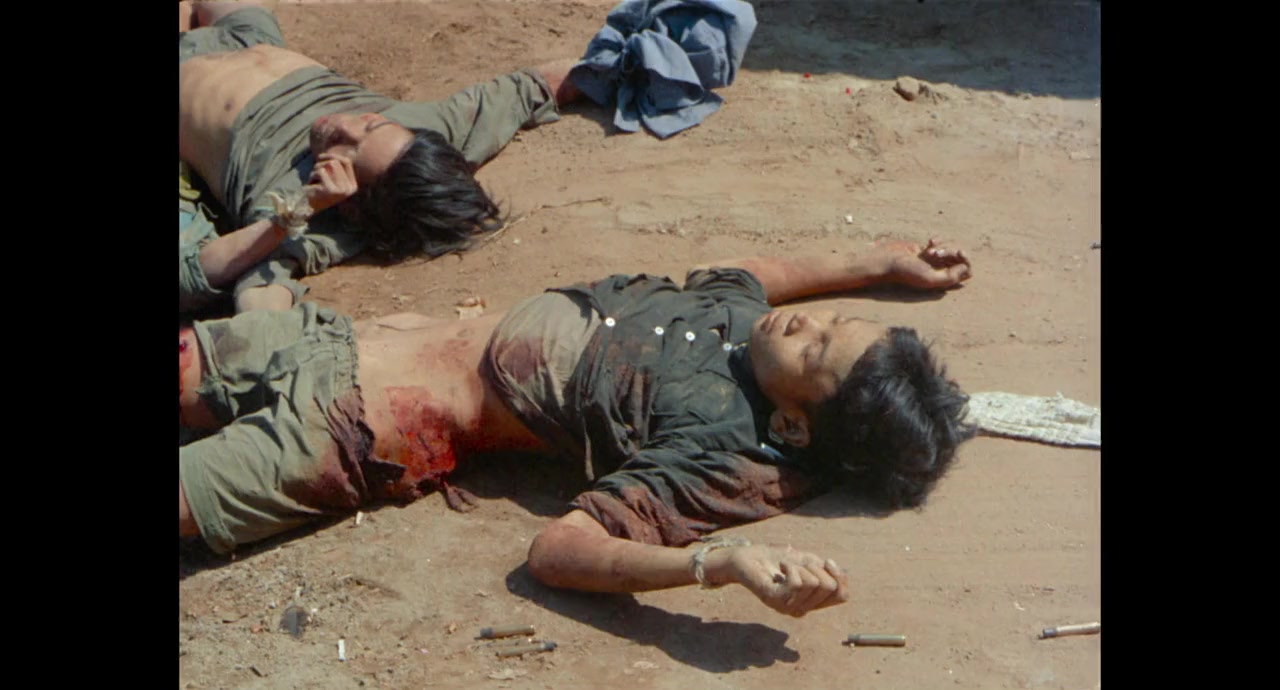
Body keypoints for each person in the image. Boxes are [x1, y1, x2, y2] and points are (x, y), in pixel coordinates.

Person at [179, 239, 975, 617]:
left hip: (349, 427)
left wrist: (717, 563)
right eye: (829, 319)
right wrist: (881, 262)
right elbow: (756, 275)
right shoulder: (749, 324)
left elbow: (560, 550)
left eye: (817, 349)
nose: (802, 324)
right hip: (335, 339)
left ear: (796, 427)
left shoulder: (731, 454)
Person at [178, 1, 582, 312]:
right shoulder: (422, 133)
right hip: (255, 42)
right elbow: (534, 86)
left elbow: (244, 294)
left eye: (350, 148)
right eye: (372, 124)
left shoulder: (310, 221)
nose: (349, 123)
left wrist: (294, 213)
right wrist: (612, 65)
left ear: (352, 206)